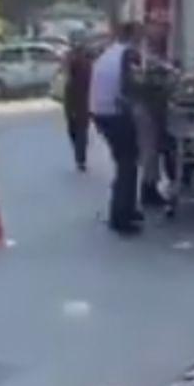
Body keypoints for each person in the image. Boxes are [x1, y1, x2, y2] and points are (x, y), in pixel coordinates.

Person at [89, 22, 145, 236]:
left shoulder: (109, 52)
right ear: (133, 35)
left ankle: (127, 207)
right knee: (127, 162)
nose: (142, 38)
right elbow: (128, 85)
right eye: (140, 34)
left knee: (125, 161)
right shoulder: (128, 53)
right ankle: (120, 215)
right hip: (115, 112)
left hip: (100, 110)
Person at [60, 35, 96, 172]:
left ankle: (80, 158)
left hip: (81, 101)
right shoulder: (73, 61)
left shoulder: (86, 63)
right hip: (74, 101)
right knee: (75, 130)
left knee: (79, 130)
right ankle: (80, 155)